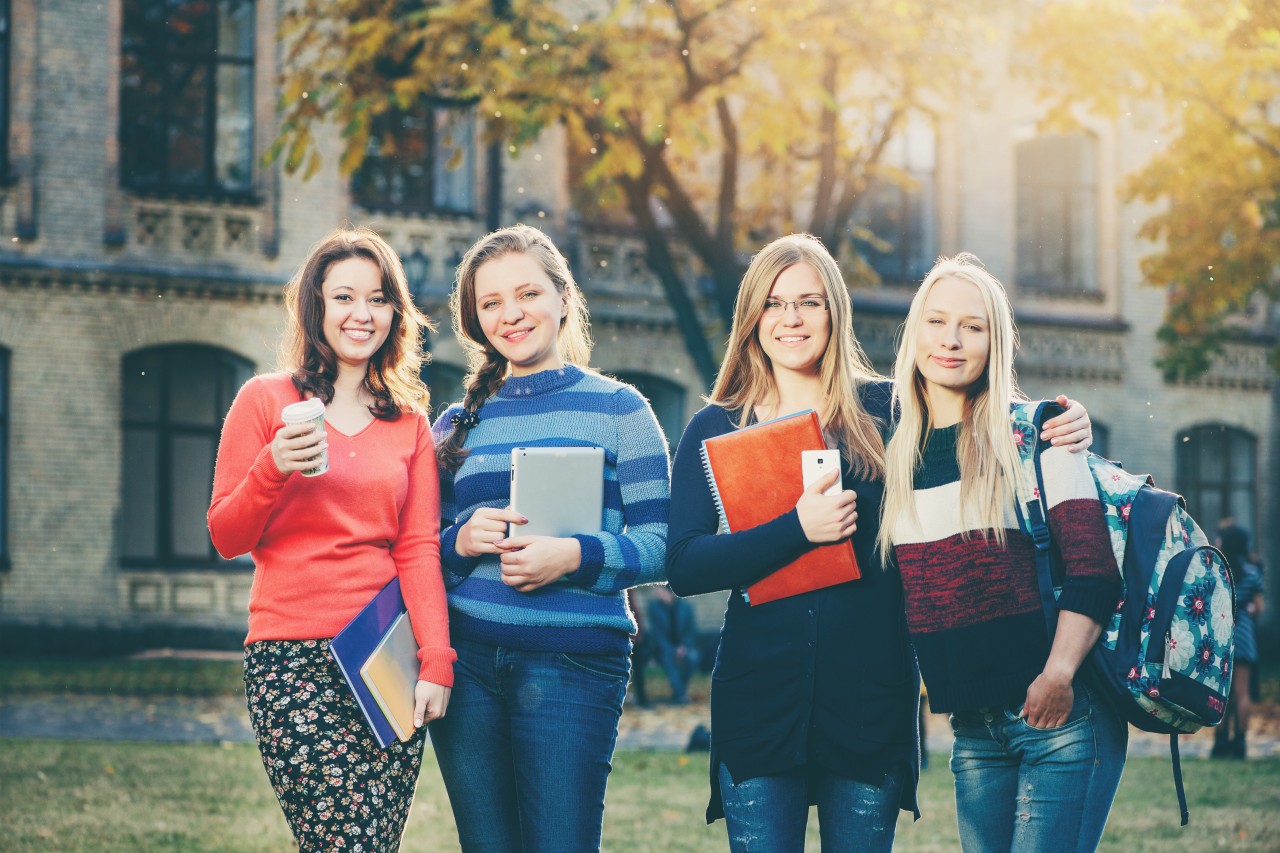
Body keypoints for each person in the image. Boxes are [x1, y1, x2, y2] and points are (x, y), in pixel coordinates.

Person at [665, 235, 1094, 852]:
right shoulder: (716, 426)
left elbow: (979, 413)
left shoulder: (890, 410)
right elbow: (684, 565)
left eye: (809, 302)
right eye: (774, 303)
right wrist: (797, 529)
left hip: (870, 699)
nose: (791, 319)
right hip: (759, 699)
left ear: (835, 312)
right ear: (751, 317)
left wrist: (1059, 418)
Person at [208, 227, 454, 851]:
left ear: (395, 312)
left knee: (374, 841)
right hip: (291, 658)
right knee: (338, 843)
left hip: (385, 653)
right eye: (343, 297)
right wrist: (274, 466)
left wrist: (437, 661)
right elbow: (226, 535)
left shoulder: (410, 424)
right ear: (315, 305)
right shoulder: (265, 401)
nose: (361, 314)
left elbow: (418, 549)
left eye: (377, 298)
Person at [428, 224, 671, 852]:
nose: (511, 314)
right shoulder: (456, 425)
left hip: (575, 666)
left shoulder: (622, 411)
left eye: (528, 293)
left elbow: (664, 543)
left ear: (564, 296)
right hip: (470, 670)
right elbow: (416, 548)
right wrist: (460, 540)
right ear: (475, 320)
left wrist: (575, 556)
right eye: (490, 304)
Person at [879, 253, 1126, 853]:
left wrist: (1059, 675)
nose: (952, 341)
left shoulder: (1038, 432)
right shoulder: (892, 454)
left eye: (973, 325)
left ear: (996, 342)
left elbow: (1095, 571)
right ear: (914, 334)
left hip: (1061, 719)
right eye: (937, 322)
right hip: (973, 731)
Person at [1213, 520, 1266, 759]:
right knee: (1242, 692)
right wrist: (1249, 608)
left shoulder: (1218, 570)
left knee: (1222, 691)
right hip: (1244, 632)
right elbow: (1259, 608)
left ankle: (1220, 741)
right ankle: (1241, 743)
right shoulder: (1252, 572)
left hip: (1222, 631)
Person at [644, 584, 700, 704]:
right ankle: (680, 695)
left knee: (693, 658)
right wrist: (671, 650)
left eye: (661, 591)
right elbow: (657, 634)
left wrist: (684, 646)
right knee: (668, 658)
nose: (658, 593)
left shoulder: (686, 607)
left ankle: (678, 693)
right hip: (663, 648)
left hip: (684, 647)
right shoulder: (654, 607)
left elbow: (691, 630)